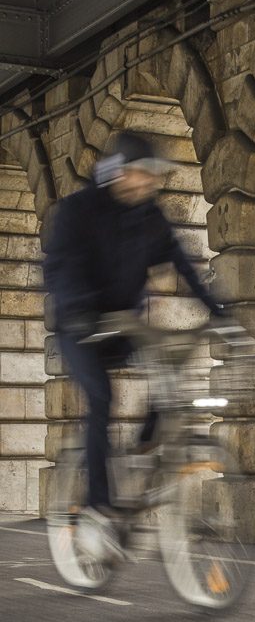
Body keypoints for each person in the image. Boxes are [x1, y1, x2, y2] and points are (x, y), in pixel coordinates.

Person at [43, 132, 221, 555]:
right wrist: (80, 310)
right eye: (143, 174)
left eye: (155, 177)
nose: (150, 184)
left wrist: (220, 312)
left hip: (123, 326)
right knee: (101, 399)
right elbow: (61, 267)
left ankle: (144, 448)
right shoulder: (77, 211)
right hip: (80, 328)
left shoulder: (150, 218)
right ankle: (95, 510)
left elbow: (184, 265)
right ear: (119, 170)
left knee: (172, 372)